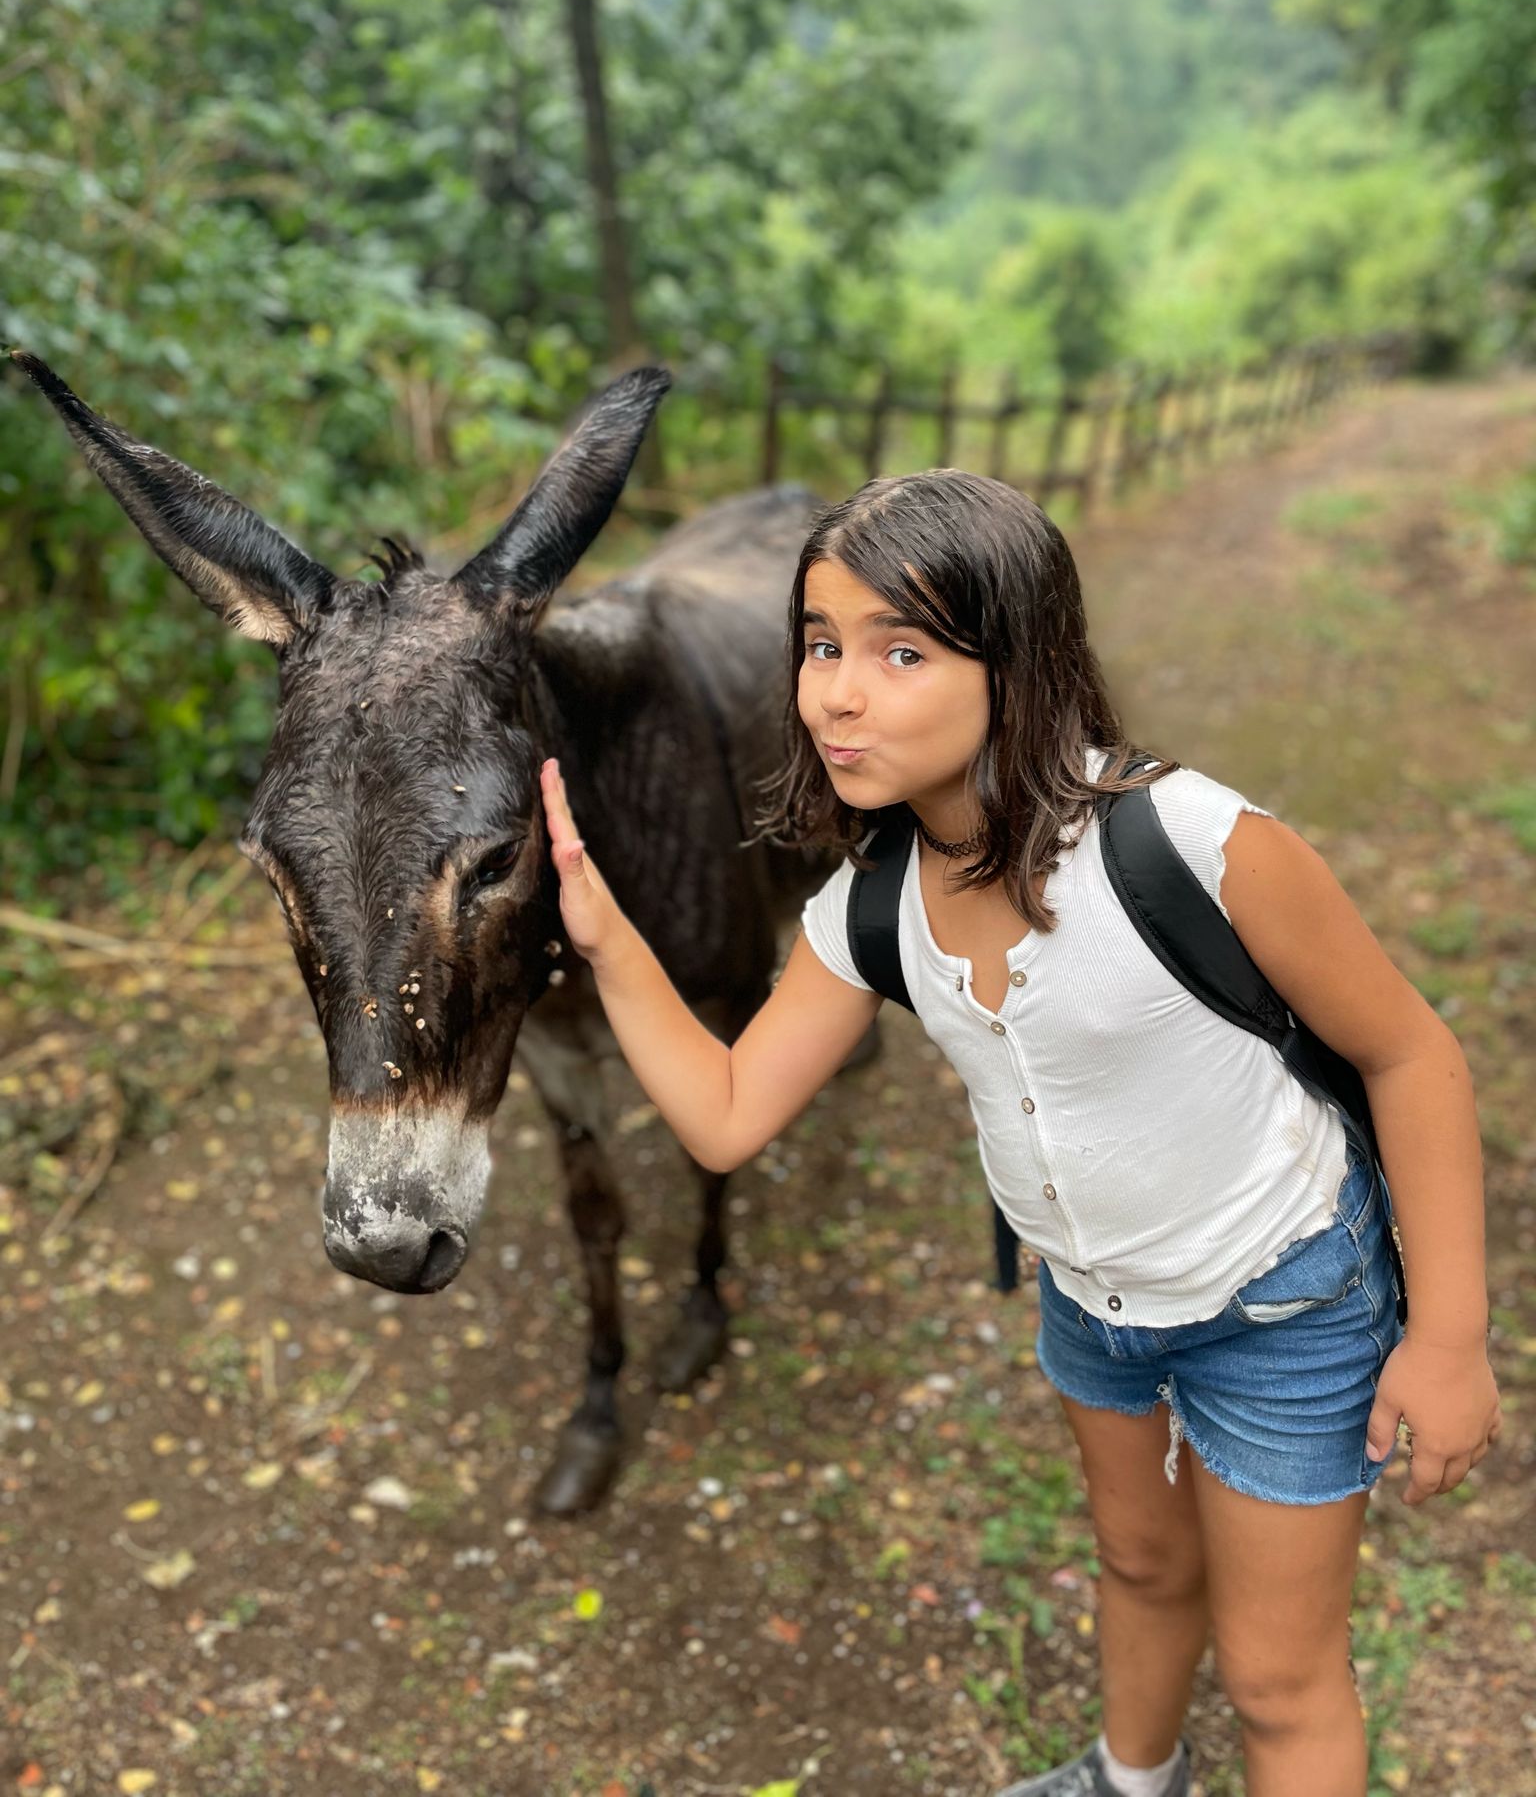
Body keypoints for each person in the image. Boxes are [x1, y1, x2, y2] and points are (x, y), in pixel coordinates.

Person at [537, 468, 1501, 1797]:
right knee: (1140, 1563)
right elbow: (721, 1114)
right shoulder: (870, 911)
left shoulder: (1194, 843)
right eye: (820, 644)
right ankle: (1128, 1777)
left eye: (901, 649)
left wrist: (1448, 1339)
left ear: (1021, 662)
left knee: (1280, 1682)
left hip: (1284, 1303)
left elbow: (1412, 1052)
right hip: (1091, 1311)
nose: (838, 690)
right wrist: (602, 931)